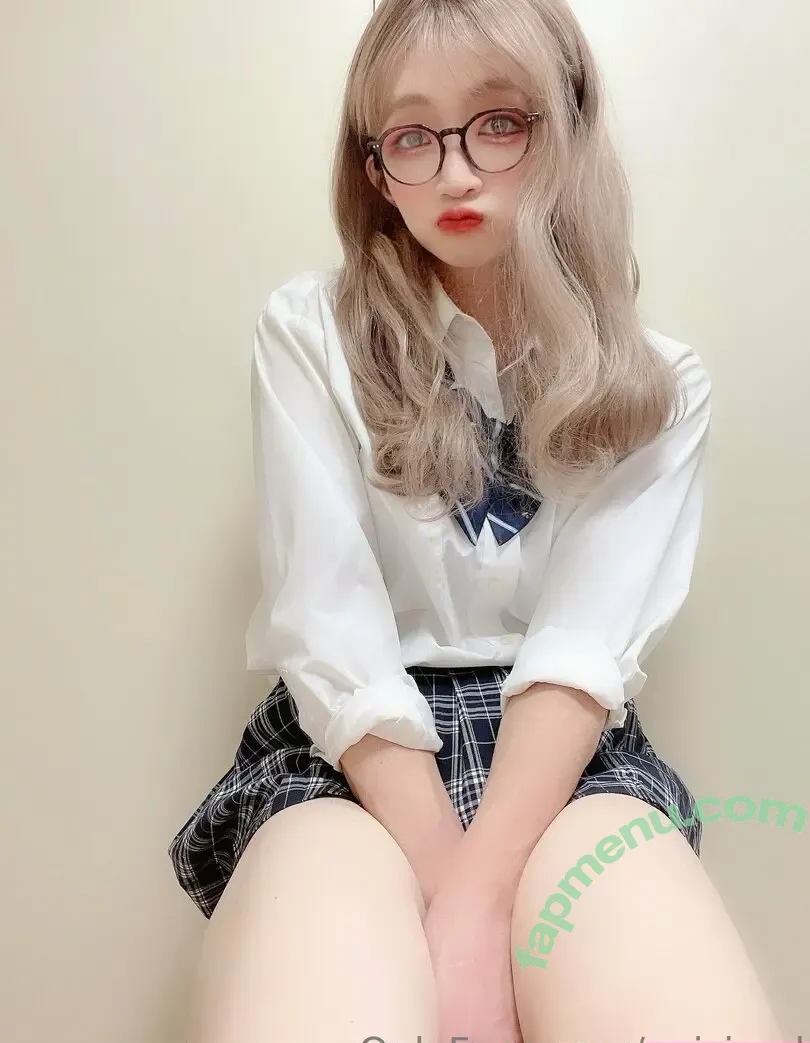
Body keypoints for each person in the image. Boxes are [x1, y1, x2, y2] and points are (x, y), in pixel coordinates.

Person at [168, 1, 783, 1040]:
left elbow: (580, 652)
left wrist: (478, 900)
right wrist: (457, 901)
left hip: (568, 764)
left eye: (500, 122)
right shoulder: (311, 334)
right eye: (413, 135)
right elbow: (332, 627)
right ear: (374, 168)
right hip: (350, 758)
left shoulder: (660, 388)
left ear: (566, 127)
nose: (455, 173)